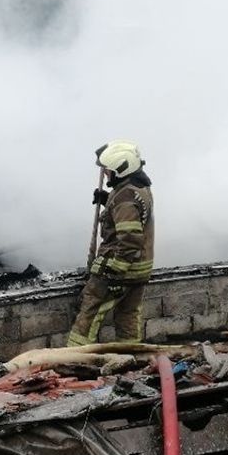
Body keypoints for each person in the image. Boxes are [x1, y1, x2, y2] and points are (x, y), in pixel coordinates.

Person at [68, 140, 155, 347]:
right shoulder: (138, 187)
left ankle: (75, 359)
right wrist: (108, 200)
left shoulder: (125, 197)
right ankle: (130, 356)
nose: (106, 173)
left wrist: (114, 272)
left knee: (88, 314)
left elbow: (130, 238)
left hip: (121, 269)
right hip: (139, 270)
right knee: (127, 315)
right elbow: (131, 216)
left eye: (109, 170)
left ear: (120, 169)